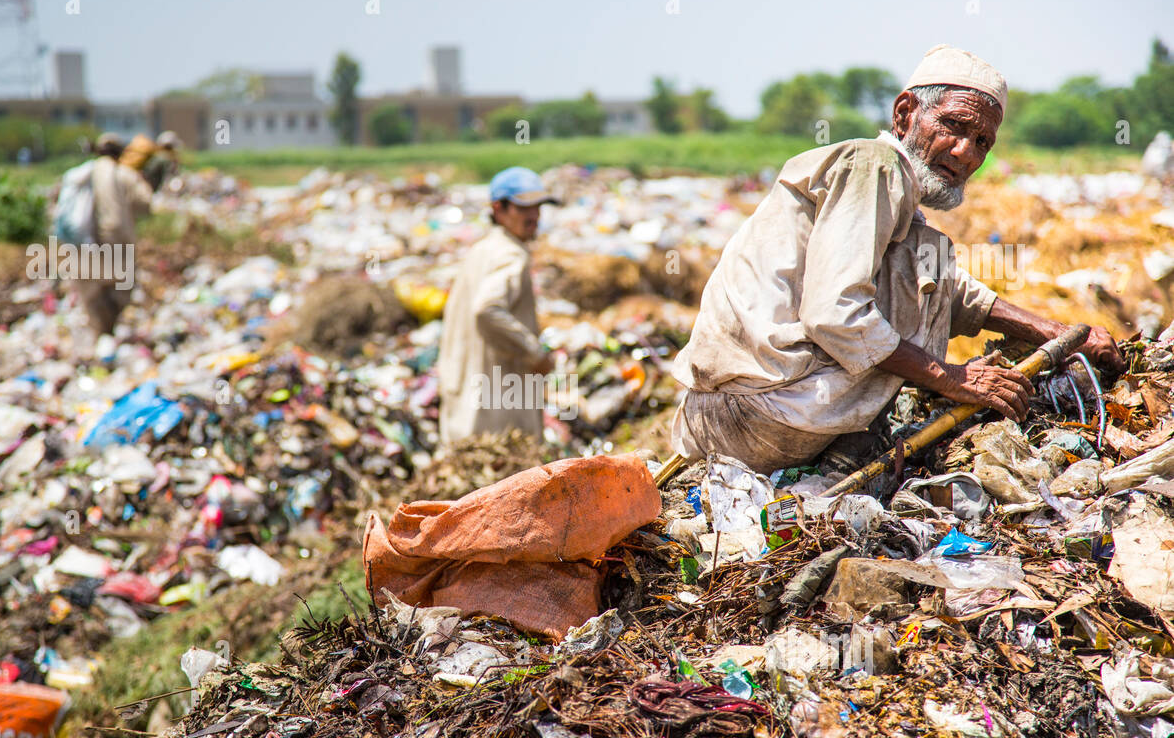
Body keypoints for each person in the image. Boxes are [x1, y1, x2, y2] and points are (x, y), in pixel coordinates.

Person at [669, 44, 1123, 474]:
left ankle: (852, 446)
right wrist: (950, 378)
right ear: (905, 114)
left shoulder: (899, 203)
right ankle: (860, 441)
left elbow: (949, 288)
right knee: (923, 254)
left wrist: (1060, 334)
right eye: (953, 127)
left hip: (756, 416)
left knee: (926, 249)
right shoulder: (874, 164)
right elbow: (834, 313)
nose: (966, 153)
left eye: (983, 141)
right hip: (759, 408)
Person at [438, 166, 559, 445]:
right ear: (499, 209)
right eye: (523, 208)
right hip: (499, 403)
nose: (534, 216)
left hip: (470, 398)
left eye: (537, 207)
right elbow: (487, 309)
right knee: (510, 479)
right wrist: (534, 353)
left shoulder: (482, 249)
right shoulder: (510, 254)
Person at [77, 132, 152, 339]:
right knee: (121, 285)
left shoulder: (82, 173)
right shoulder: (124, 174)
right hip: (116, 235)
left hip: (83, 238)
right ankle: (113, 332)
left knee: (94, 286)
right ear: (119, 152)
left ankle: (100, 333)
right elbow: (145, 203)